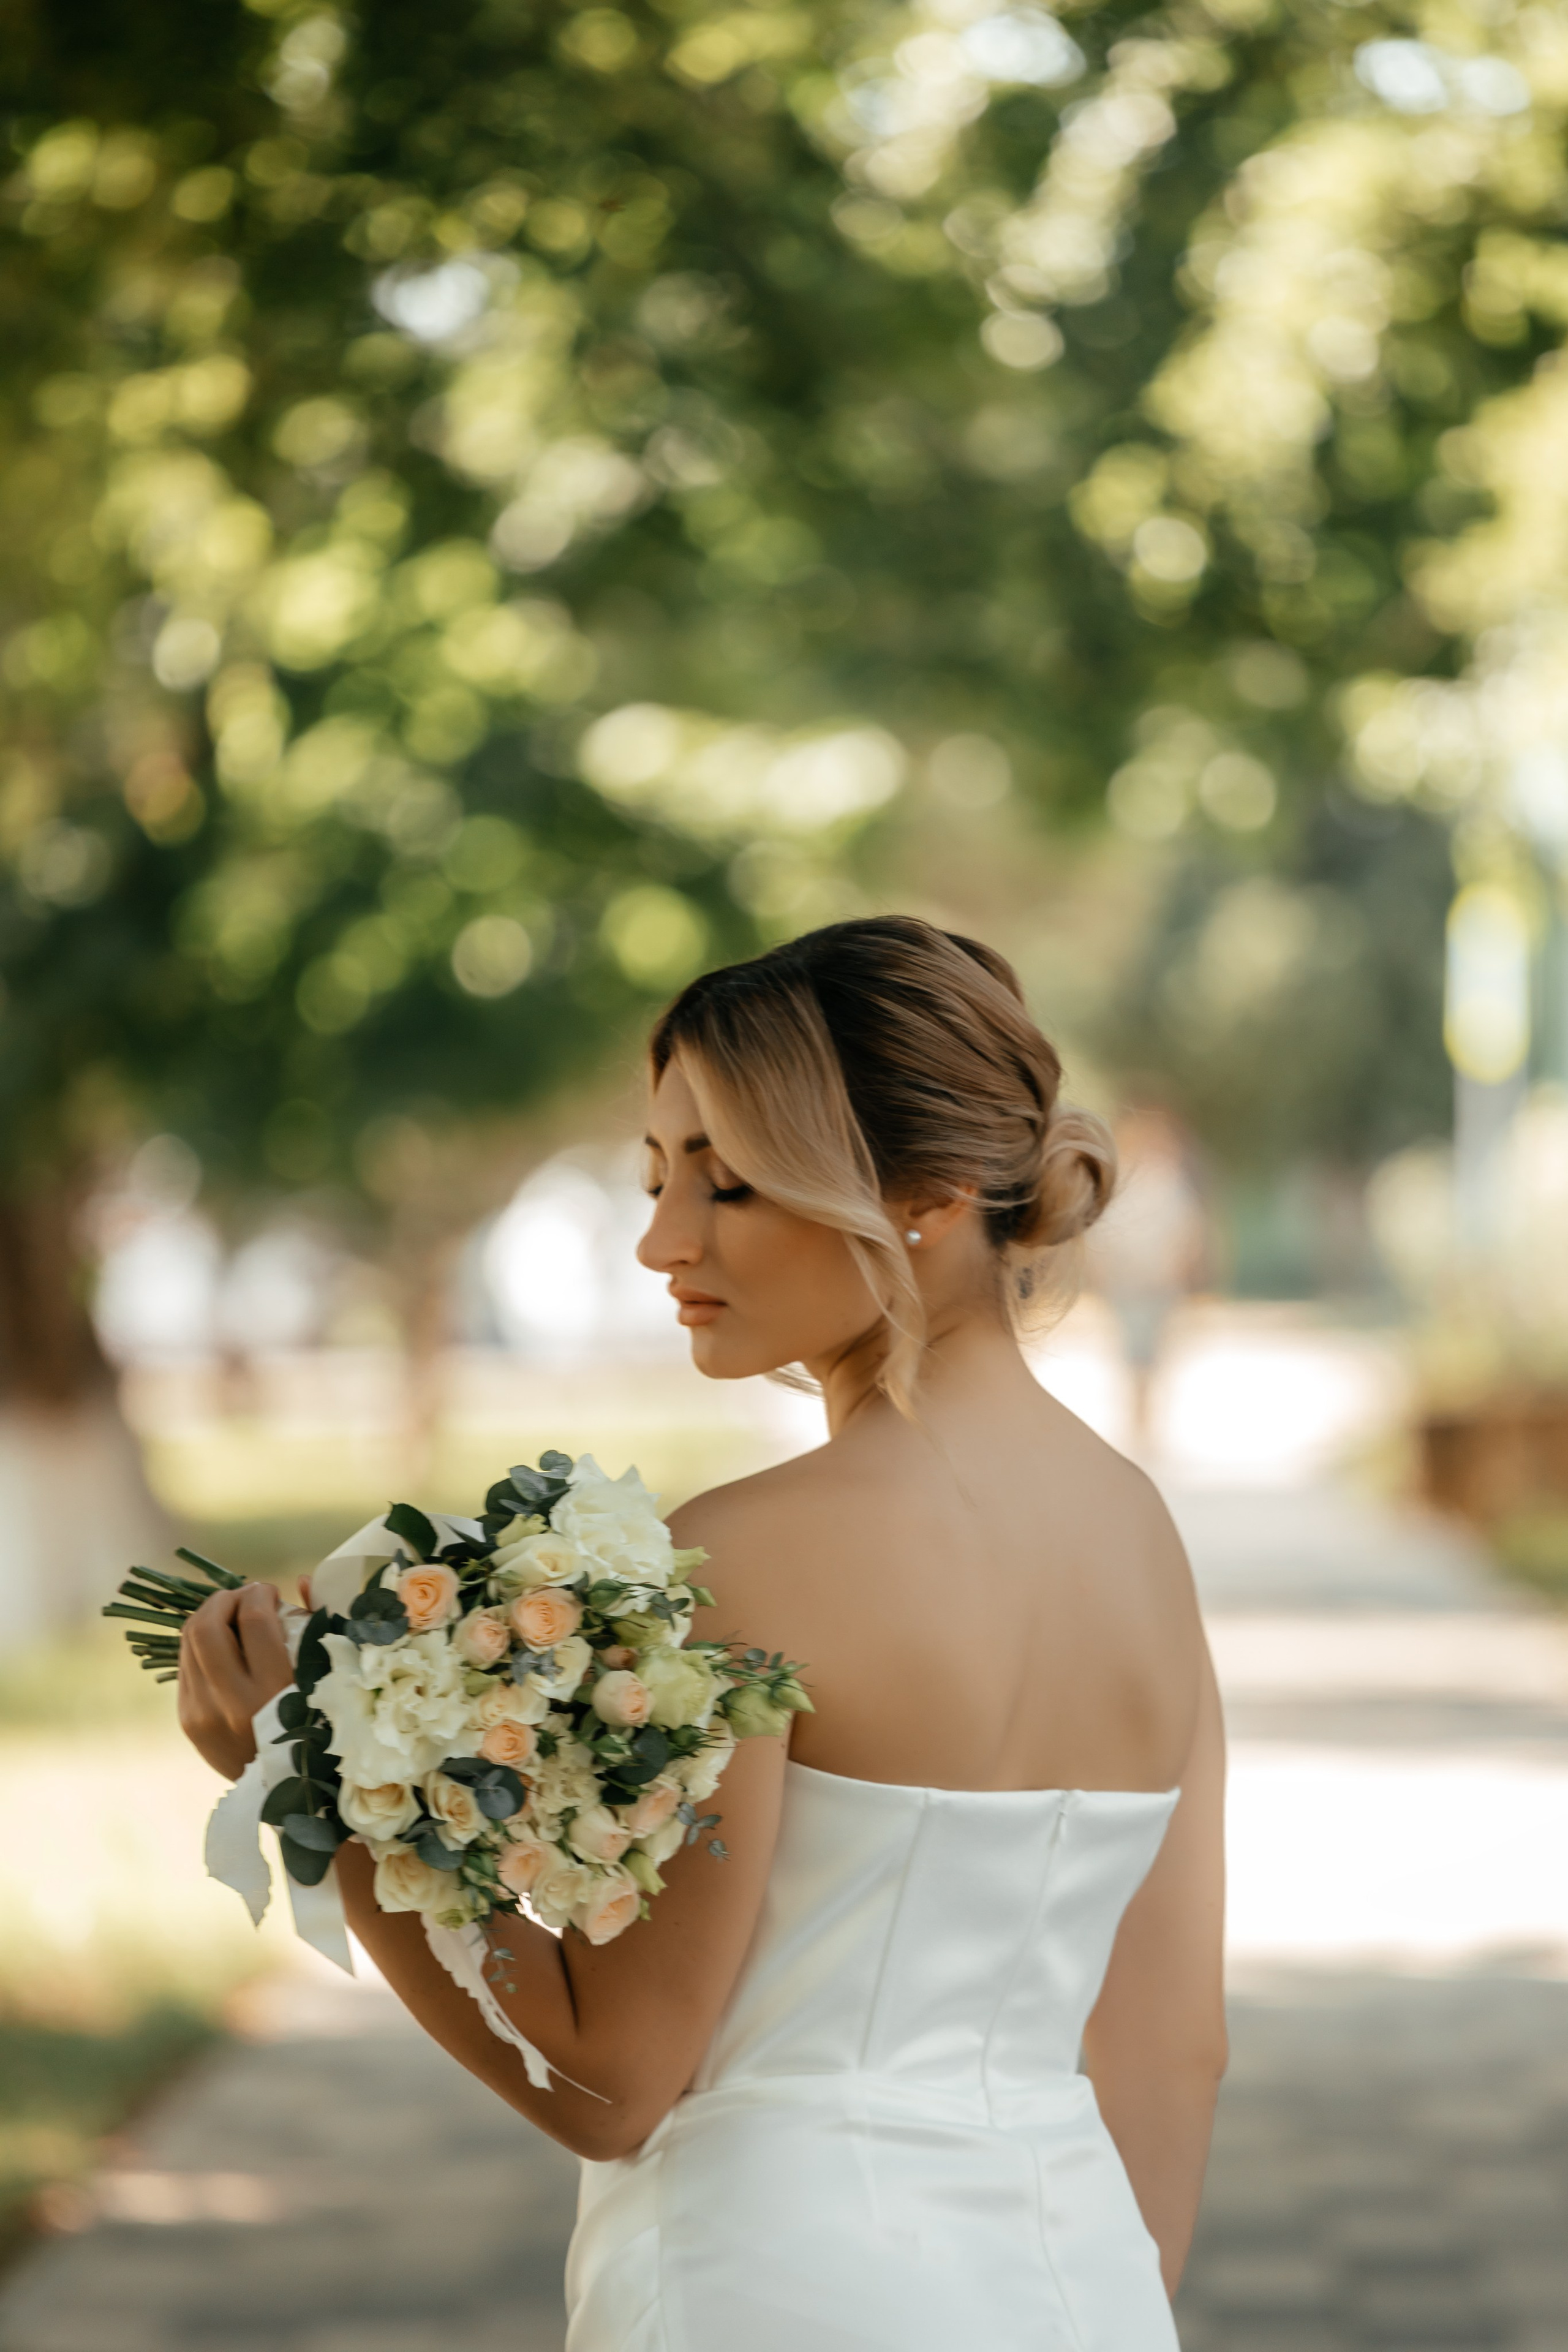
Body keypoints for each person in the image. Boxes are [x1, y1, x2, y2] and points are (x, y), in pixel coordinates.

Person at [178, 915, 1227, 2351]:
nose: (659, 1238)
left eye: (725, 1184)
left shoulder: (744, 1557)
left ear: (921, 1194)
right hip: (1079, 2282)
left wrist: (324, 1789)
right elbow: (1173, 2042)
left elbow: (612, 2080)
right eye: (655, 1173)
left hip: (765, 2283)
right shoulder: (1142, 1544)